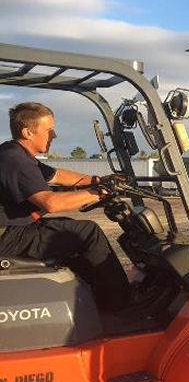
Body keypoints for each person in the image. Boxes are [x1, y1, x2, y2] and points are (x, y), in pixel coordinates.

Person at [0, 102, 131, 311]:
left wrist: (98, 180)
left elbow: (58, 176)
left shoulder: (15, 153)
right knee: (89, 232)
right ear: (28, 132)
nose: (54, 135)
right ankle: (121, 304)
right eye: (48, 130)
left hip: (12, 231)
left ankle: (92, 295)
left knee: (70, 231)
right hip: (8, 237)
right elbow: (51, 203)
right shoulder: (16, 160)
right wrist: (98, 192)